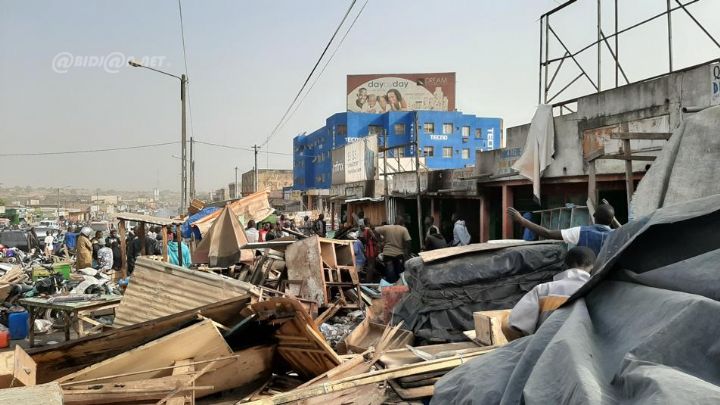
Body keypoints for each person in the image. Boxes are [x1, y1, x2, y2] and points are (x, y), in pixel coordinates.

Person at [508, 247, 595, 335]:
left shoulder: (543, 290)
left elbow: (514, 326)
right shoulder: (598, 292)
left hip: (545, 347)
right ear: (593, 268)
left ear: (565, 266)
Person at [507, 203, 615, 256]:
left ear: (594, 216)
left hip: (586, 276)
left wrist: (522, 220)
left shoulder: (581, 231)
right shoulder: (619, 234)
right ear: (611, 221)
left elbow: (547, 233)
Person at [374, 216, 412, 283]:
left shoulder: (387, 227)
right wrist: (407, 252)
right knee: (400, 273)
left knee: (390, 273)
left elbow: (375, 230)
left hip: (387, 254)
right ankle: (399, 288)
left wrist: (379, 241)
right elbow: (408, 241)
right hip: (399, 254)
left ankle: (391, 288)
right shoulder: (403, 229)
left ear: (395, 221)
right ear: (402, 222)